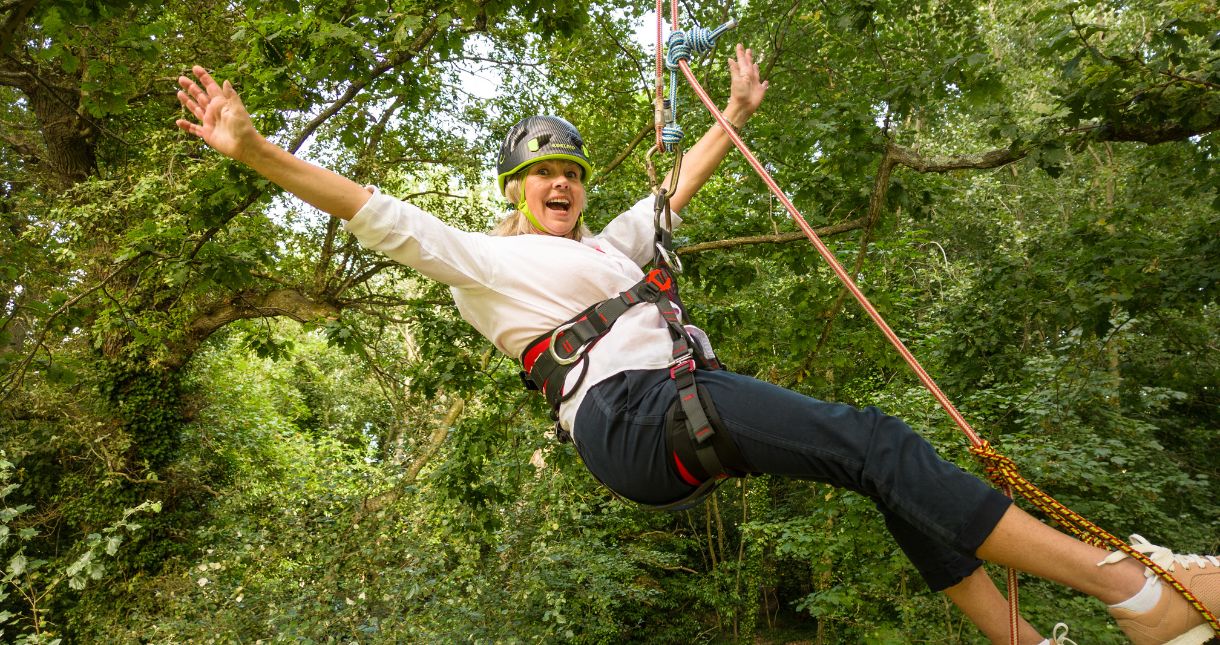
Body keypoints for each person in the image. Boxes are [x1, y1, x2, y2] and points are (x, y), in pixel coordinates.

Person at [175, 45, 1219, 645]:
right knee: (867, 438)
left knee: (878, 464)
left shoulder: (611, 245)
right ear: (510, 192)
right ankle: (1127, 591)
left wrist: (730, 113)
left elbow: (670, 192)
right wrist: (258, 150)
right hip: (632, 421)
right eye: (540, 174)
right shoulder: (485, 262)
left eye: (570, 172)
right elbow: (378, 212)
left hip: (678, 408)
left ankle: (1019, 641)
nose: (559, 184)